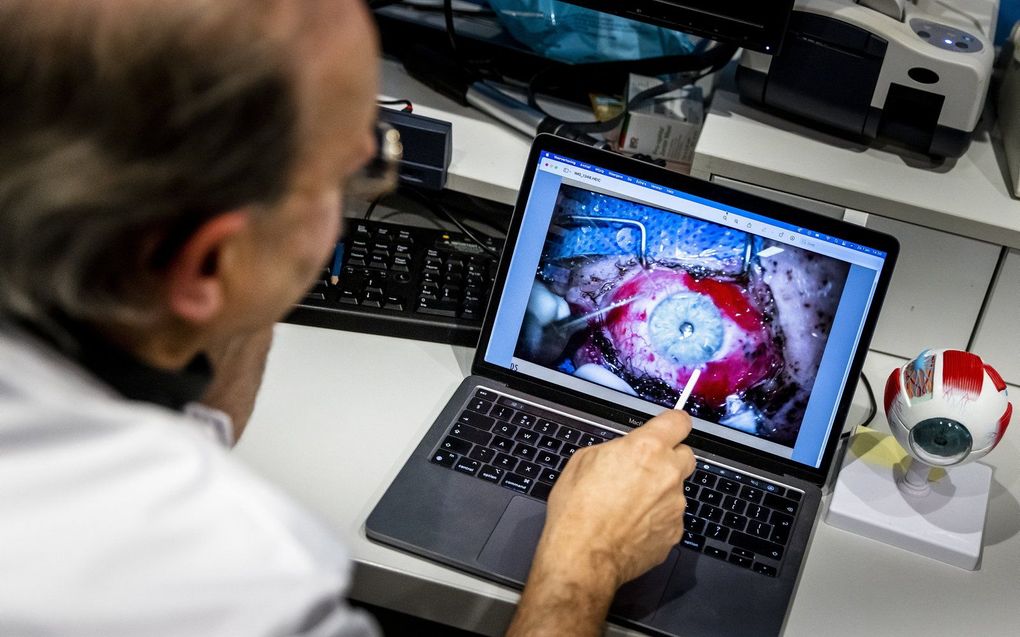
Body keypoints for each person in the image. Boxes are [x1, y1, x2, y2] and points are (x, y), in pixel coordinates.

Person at [0, 1, 696, 635]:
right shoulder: (240, 585)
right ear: (206, 264)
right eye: (352, 173)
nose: (360, 194)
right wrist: (587, 559)